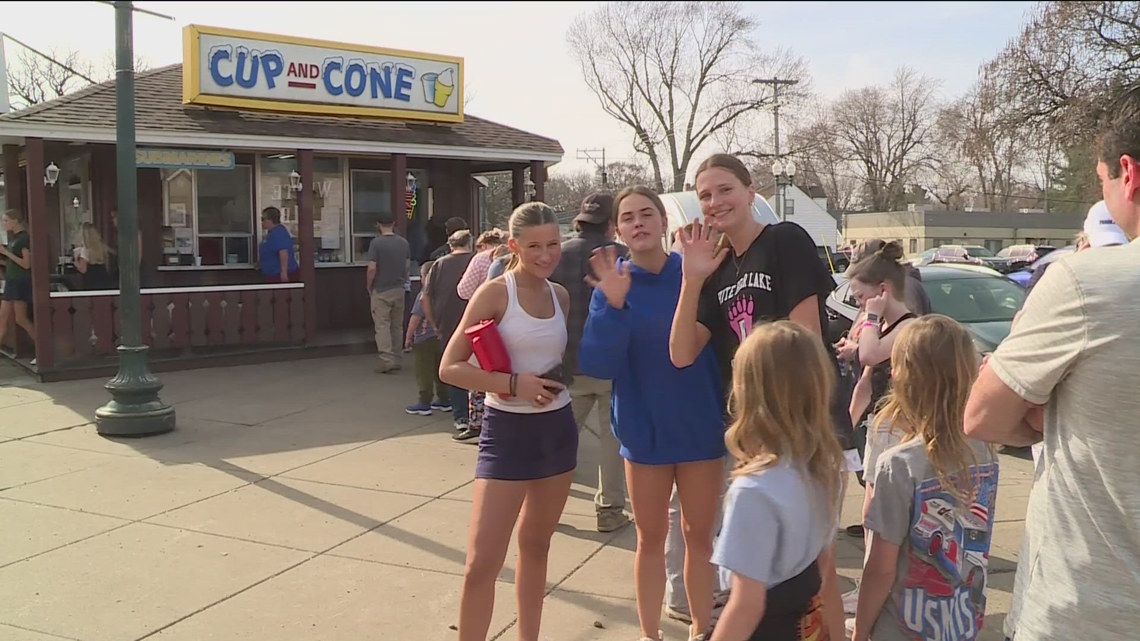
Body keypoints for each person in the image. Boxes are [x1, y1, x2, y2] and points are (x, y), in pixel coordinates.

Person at [964, 96, 1140, 641]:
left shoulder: (1087, 282)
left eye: (1102, 181)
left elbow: (983, 418)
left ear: (1128, 173)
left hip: (1090, 606)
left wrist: (1037, 418)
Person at [669, 153, 851, 641]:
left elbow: (806, 342)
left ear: (751, 193)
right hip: (759, 435)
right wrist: (692, 279)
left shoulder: (784, 240)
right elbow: (682, 352)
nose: (715, 202)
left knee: (819, 567)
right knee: (767, 573)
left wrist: (797, 431)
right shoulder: (718, 269)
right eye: (704, 195)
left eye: (725, 189)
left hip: (809, 425)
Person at [578, 186, 726, 641]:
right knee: (649, 539)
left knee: (700, 538)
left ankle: (702, 628)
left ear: (664, 222)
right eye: (628, 217)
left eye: (647, 214)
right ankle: (650, 633)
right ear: (617, 229)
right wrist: (614, 306)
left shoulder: (695, 273)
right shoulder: (614, 284)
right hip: (644, 432)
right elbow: (598, 365)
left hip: (700, 428)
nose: (638, 223)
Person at [438, 202, 575, 641]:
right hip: (507, 432)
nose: (546, 254)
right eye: (534, 246)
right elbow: (450, 367)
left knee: (536, 548)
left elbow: (554, 360)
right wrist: (512, 383)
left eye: (553, 244)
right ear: (514, 246)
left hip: (556, 430)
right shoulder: (497, 292)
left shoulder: (561, 296)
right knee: (482, 563)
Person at [850, 315, 999, 641]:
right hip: (961, 621)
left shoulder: (899, 465)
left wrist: (860, 629)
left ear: (906, 380)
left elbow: (880, 567)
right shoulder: (985, 450)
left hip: (901, 628)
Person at [706, 321, 844, 641]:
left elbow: (746, 605)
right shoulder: (823, 469)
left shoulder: (753, 491)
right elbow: (826, 578)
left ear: (748, 391)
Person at [550, 192, 630, 533]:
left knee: (557, 442)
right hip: (613, 365)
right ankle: (609, 511)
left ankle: (546, 506)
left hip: (567, 364)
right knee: (612, 446)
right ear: (611, 224)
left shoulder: (559, 255)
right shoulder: (623, 257)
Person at [839, 241, 919, 561]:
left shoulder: (909, 326)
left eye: (861, 297)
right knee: (871, 505)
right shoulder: (883, 327)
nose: (859, 305)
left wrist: (870, 317)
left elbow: (869, 353)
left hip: (899, 428)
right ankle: (872, 576)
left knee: (884, 509)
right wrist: (845, 426)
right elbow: (866, 382)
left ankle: (883, 575)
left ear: (882, 290)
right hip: (878, 424)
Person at [454, 229, 509, 442]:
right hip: (515, 321)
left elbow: (463, 291)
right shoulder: (519, 259)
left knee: (479, 373)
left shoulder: (482, 260)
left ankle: (477, 423)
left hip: (486, 324)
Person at [422, 229, 476, 432]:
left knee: (455, 369)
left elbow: (425, 297)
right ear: (469, 243)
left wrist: (434, 323)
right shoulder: (477, 260)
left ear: (450, 245)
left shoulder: (439, 264)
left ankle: (460, 415)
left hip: (448, 324)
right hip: (477, 323)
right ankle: (478, 413)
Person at [1026, 200, 1127, 293]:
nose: (1106, 256)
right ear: (1082, 242)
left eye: (1115, 248)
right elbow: (1028, 311)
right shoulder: (1046, 273)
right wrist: (1073, 268)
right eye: (1100, 248)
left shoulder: (1129, 281)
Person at [404, 260, 452, 416]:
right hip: (442, 336)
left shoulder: (423, 295)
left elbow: (416, 318)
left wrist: (409, 336)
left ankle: (424, 402)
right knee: (440, 369)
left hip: (424, 337)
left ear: (425, 276)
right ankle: (445, 399)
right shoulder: (445, 293)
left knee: (424, 371)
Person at [365, 215, 411, 374]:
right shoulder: (403, 243)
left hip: (381, 289)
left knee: (382, 325)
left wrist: (369, 286)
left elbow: (372, 268)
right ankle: (398, 358)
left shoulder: (376, 243)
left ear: (378, 224)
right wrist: (403, 280)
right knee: (397, 325)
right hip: (398, 288)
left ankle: (387, 359)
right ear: (393, 223)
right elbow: (406, 266)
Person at [0, 209, 35, 363]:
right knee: (2, 317)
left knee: (20, 318)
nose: (3, 223)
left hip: (20, 281)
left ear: (15, 221)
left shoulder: (23, 239)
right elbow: (13, 263)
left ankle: (41, 349)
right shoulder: (14, 239)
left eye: (6, 220)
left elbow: (26, 264)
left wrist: (6, 253)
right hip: (11, 280)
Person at [258, 207, 300, 283]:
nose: (262, 222)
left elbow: (283, 252)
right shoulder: (271, 233)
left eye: (263, 219)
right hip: (272, 274)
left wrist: (284, 273)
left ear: (270, 220)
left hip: (279, 275)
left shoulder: (278, 233)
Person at [73, 222, 115, 290]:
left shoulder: (85, 251)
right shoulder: (102, 247)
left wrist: (76, 261)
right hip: (104, 279)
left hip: (92, 282)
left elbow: (83, 269)